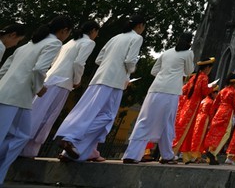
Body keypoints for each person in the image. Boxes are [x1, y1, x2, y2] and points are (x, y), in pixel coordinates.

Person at [56, 14, 145, 162]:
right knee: (106, 117)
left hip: (98, 78)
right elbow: (129, 61)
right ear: (140, 25)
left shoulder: (115, 38)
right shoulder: (136, 38)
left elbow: (99, 59)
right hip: (114, 81)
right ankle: (72, 138)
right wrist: (130, 71)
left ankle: (77, 151)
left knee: (87, 112)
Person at [0, 16, 72, 184]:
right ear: (64, 31)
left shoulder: (27, 45)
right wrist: (39, 88)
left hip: (12, 95)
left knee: (21, 136)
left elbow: (4, 69)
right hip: (16, 96)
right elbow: (39, 69)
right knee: (17, 136)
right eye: (68, 33)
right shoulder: (54, 43)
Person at [22, 20, 100, 158]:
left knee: (36, 111)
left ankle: (23, 146)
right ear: (93, 30)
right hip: (62, 82)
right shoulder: (88, 43)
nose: (96, 36)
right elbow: (78, 63)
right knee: (47, 116)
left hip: (50, 78)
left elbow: (53, 61)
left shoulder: (70, 42)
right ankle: (29, 149)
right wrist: (77, 80)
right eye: (96, 32)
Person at [122, 32, 195, 164]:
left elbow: (154, 71)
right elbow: (189, 71)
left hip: (155, 88)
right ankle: (167, 155)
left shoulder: (166, 52)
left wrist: (165, 74)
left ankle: (132, 154)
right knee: (167, 122)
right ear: (190, 42)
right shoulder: (188, 53)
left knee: (144, 120)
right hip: (171, 91)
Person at [173, 56, 215, 162]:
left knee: (184, 129)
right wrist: (212, 87)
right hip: (194, 107)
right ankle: (172, 152)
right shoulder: (204, 77)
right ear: (207, 68)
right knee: (186, 130)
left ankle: (186, 156)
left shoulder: (193, 78)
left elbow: (184, 90)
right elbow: (205, 92)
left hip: (186, 106)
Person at [201, 72, 235, 165]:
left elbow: (215, 103)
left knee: (215, 133)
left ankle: (211, 155)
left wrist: (213, 115)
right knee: (225, 134)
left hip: (219, 112)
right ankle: (213, 153)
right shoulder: (234, 91)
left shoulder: (222, 90)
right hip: (227, 113)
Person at [184, 86, 218, 164]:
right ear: (212, 93)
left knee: (196, 136)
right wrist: (211, 123)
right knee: (201, 137)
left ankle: (196, 155)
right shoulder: (210, 102)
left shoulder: (204, 100)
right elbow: (211, 113)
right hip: (204, 118)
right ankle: (195, 156)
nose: (216, 94)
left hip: (198, 118)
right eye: (215, 92)